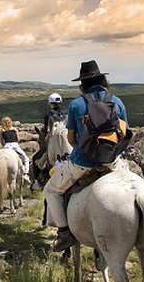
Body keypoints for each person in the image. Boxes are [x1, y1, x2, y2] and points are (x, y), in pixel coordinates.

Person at [44, 60, 128, 252]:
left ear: (83, 84)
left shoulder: (76, 105)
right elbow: (125, 132)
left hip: (82, 163)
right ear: (102, 80)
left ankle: (64, 233)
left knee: (51, 190)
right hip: (111, 161)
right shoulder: (117, 101)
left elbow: (71, 139)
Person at [31, 93, 66, 190]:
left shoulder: (48, 115)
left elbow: (47, 132)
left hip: (54, 143)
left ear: (50, 103)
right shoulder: (66, 113)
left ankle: (37, 181)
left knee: (35, 158)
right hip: (66, 141)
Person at [0, 116, 30, 183]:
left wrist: (4, 146)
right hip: (15, 145)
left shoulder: (2, 131)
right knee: (26, 158)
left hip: (7, 146)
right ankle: (26, 173)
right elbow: (18, 139)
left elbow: (1, 141)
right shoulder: (15, 129)